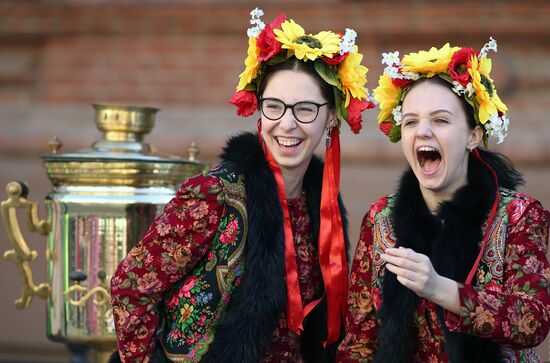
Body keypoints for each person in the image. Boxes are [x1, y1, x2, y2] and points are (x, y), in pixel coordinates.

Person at [109, 8, 375, 363]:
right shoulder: (215, 195)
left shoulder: (323, 205)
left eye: (306, 109)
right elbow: (131, 286)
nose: (287, 124)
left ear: (330, 117)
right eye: (274, 107)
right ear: (259, 111)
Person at [336, 39, 550, 362]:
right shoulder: (381, 220)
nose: (422, 132)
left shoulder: (518, 216)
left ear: (473, 136)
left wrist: (441, 289)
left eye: (439, 120)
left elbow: (532, 319)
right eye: (411, 121)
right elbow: (359, 344)